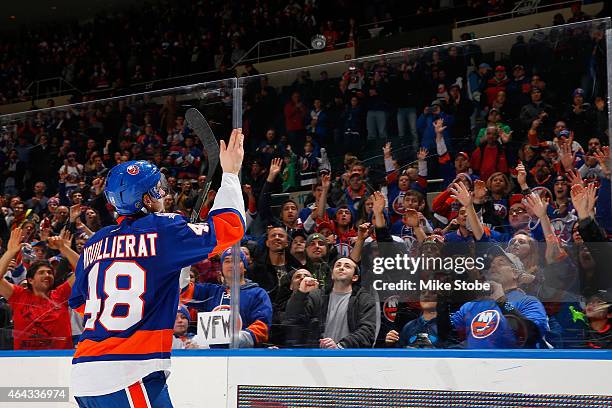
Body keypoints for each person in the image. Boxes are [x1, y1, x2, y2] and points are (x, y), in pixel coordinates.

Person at [69, 129, 245, 407]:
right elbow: (230, 229)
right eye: (158, 190)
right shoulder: (163, 229)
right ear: (147, 199)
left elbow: (83, 304)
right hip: (127, 373)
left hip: (85, 372)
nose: (163, 194)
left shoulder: (95, 241)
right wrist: (231, 175)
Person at [0, 228, 79, 350]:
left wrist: (64, 249)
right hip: (24, 360)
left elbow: (84, 270)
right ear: (30, 280)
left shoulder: (61, 294)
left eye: (49, 273)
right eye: (41, 273)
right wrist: (10, 252)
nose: (47, 275)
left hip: (58, 359)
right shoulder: (18, 295)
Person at [284, 256, 377, 348]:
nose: (341, 267)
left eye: (347, 266)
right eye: (338, 265)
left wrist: (341, 345)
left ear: (355, 277)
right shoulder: (317, 296)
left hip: (349, 355)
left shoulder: (364, 299)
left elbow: (367, 331)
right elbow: (292, 318)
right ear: (332, 275)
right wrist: (301, 293)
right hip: (318, 355)